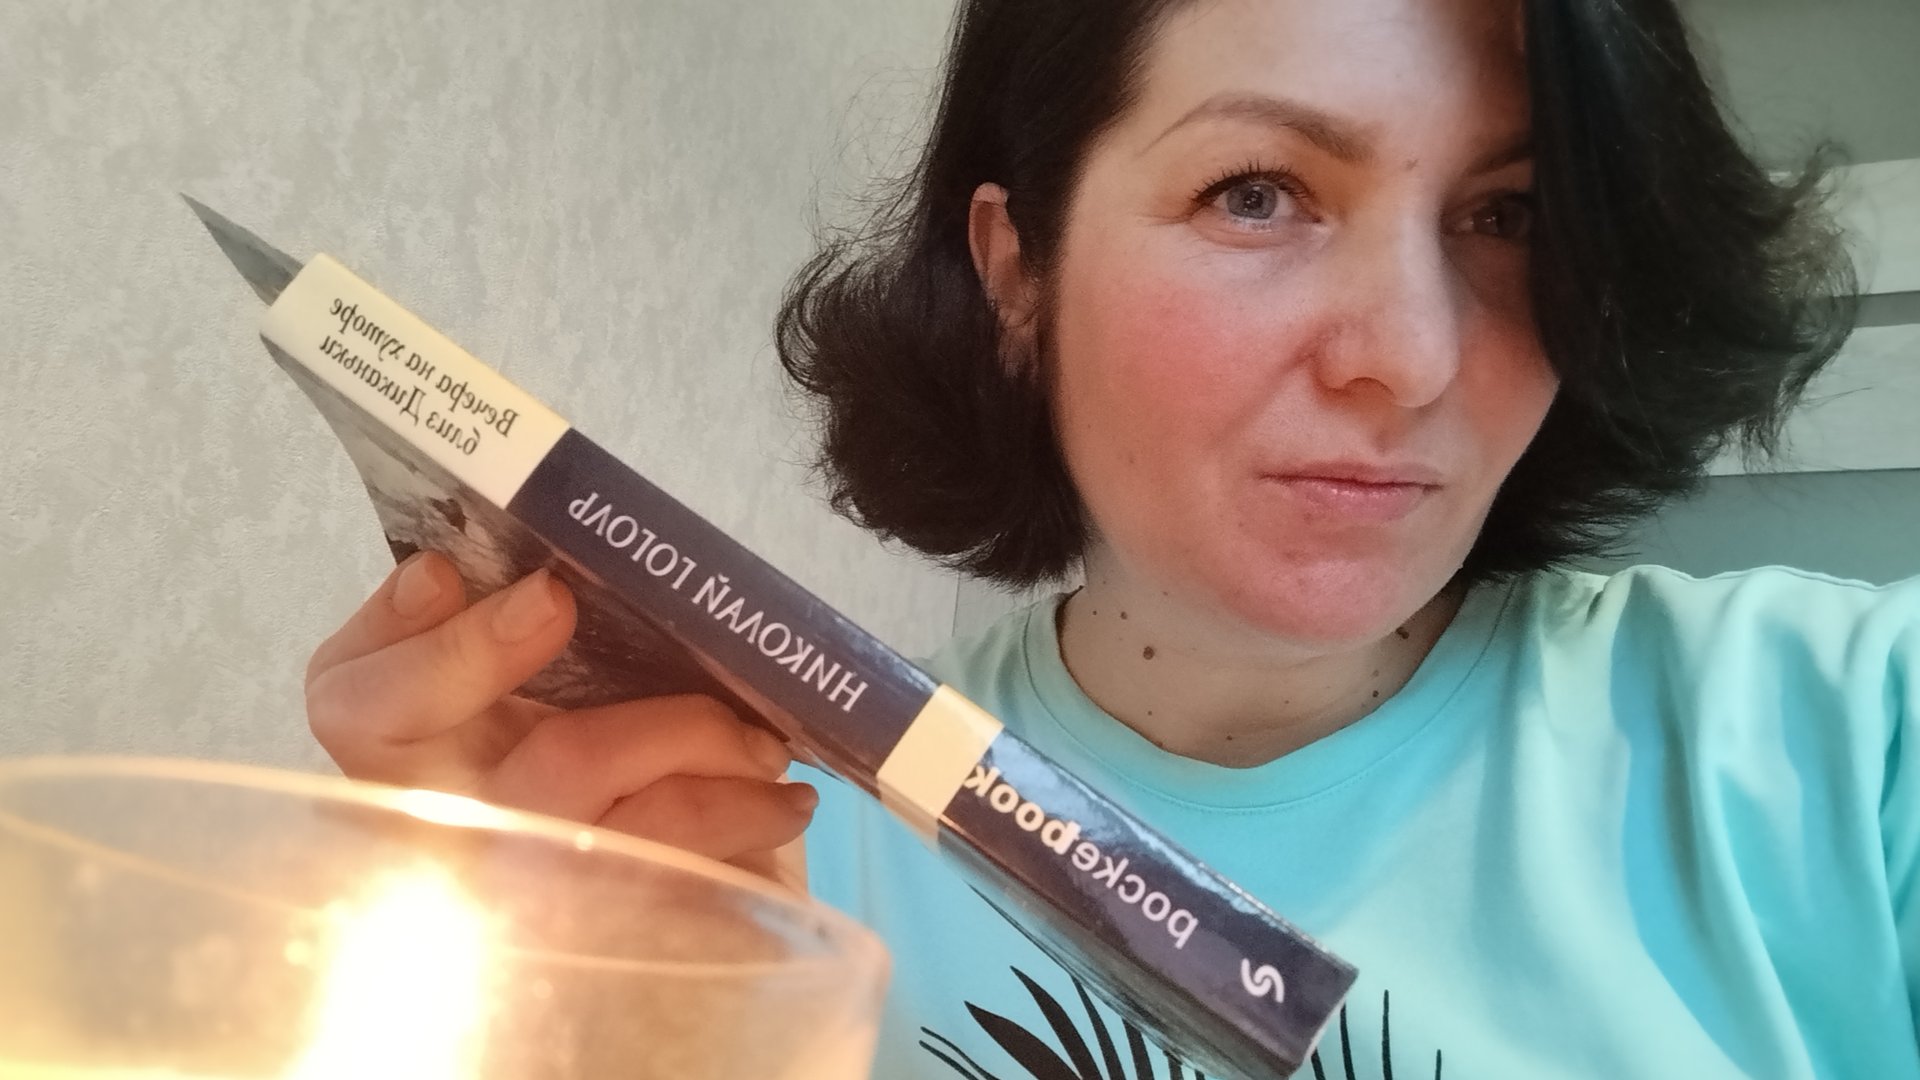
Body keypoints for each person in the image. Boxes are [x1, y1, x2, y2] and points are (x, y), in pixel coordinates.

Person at [302, 0, 1918, 1075]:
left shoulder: (1855, 742)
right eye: (1259, 192)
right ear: (1018, 271)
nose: (1414, 355)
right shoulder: (750, 848)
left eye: (1510, 215)